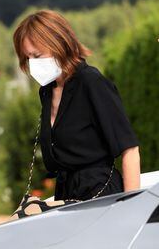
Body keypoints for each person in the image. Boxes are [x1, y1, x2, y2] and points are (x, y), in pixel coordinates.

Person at [12, 10, 140, 202]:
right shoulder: (47, 91)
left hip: (101, 194)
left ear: (59, 45)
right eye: (28, 58)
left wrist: (132, 206)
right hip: (66, 194)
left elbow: (129, 149)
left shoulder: (91, 82)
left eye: (37, 55)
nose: (33, 64)